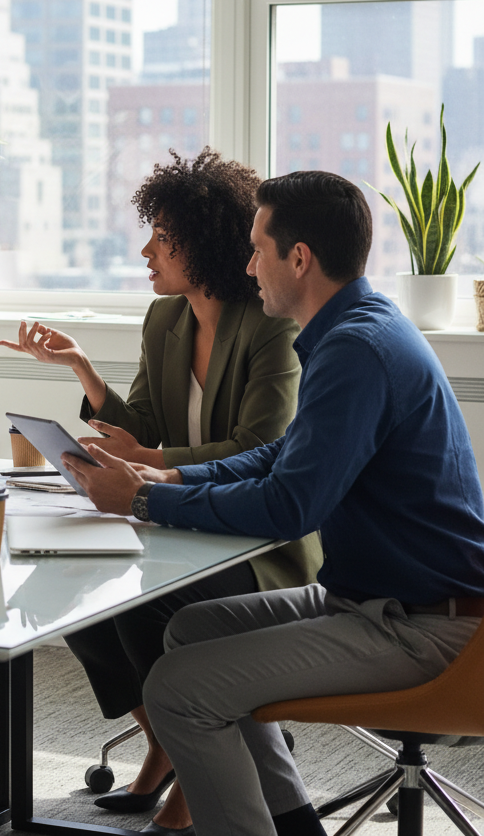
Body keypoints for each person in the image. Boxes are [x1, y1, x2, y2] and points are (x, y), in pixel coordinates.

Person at [63, 171, 484, 836]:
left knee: (179, 690)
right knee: (189, 632)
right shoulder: (353, 328)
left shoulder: (355, 349)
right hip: (374, 600)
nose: (247, 262)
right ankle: (293, 825)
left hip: (424, 627)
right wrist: (169, 484)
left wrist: (144, 501)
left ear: (299, 258)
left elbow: (291, 505)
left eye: (258, 248)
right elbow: (279, 454)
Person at [0, 149, 321, 834]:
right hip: (176, 516)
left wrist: (146, 463)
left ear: (203, 244)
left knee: (137, 599)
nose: (146, 250)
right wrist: (83, 370)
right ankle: (164, 744)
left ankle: (192, 766)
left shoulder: (270, 326)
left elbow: (259, 448)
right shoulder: (164, 321)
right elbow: (142, 424)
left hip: (251, 537)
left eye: (163, 237)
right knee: (74, 586)